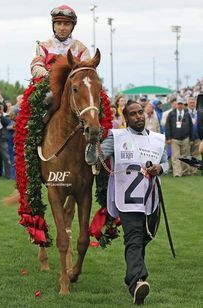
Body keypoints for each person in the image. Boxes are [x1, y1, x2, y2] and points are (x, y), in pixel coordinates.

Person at [85, 100, 168, 305]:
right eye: (133, 114)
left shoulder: (158, 139)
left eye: (140, 112)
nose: (139, 116)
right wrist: (92, 141)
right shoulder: (117, 137)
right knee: (134, 238)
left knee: (143, 239)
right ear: (125, 118)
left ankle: (131, 275)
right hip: (127, 200)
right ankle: (137, 282)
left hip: (151, 198)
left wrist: (160, 168)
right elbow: (94, 158)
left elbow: (165, 161)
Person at [30, 4, 90, 121]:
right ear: (54, 26)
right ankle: (36, 135)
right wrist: (49, 76)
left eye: (66, 24)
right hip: (49, 88)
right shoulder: (44, 46)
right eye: (58, 24)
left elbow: (88, 70)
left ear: (72, 27)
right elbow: (36, 66)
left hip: (75, 89)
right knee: (35, 106)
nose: (62, 28)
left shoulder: (81, 48)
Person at [165, 97, 193, 177]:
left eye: (181, 104)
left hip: (185, 138)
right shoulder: (171, 114)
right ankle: (177, 173)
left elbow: (191, 126)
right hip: (174, 139)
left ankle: (185, 171)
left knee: (185, 156)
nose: (180, 106)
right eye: (179, 104)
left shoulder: (187, 114)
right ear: (176, 105)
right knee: (175, 156)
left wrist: (191, 138)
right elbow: (167, 126)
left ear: (183, 105)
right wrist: (168, 138)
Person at [187, 96, 203, 174]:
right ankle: (187, 170)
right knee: (187, 154)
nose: (192, 104)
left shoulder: (199, 112)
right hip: (188, 137)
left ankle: (193, 171)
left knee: (195, 155)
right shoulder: (185, 112)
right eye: (191, 102)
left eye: (193, 102)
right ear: (188, 103)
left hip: (197, 137)